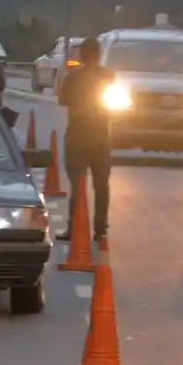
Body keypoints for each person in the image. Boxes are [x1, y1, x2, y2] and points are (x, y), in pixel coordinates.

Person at [57, 37, 113, 243]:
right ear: (99, 54)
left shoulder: (73, 78)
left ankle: (74, 228)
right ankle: (100, 229)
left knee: (78, 186)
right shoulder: (109, 76)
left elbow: (63, 101)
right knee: (102, 186)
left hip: (78, 138)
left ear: (82, 55)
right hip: (101, 139)